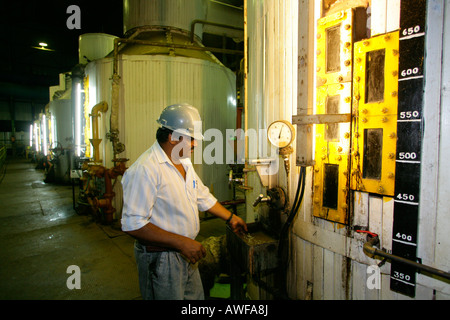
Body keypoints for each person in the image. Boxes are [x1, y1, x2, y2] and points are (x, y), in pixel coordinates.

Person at [121, 103, 247, 300]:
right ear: (172, 138)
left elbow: (201, 195)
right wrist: (182, 243)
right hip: (162, 260)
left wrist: (230, 217)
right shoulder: (145, 170)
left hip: (187, 253)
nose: (196, 144)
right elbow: (132, 224)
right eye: (191, 139)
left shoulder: (183, 161)